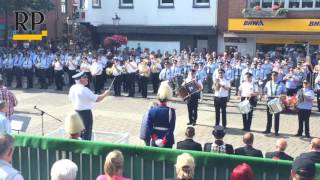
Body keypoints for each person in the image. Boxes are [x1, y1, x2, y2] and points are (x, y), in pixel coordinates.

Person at [68, 72, 110, 140]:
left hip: (76, 112)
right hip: (85, 114)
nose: (87, 79)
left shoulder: (73, 87)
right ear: (80, 80)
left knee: (77, 132)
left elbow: (70, 98)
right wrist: (105, 94)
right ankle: (85, 148)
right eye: (85, 77)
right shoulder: (84, 89)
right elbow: (96, 99)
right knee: (86, 133)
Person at [147, 81, 176, 148]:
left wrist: (155, 138)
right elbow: (171, 129)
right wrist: (164, 141)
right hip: (167, 140)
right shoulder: (171, 111)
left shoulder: (152, 110)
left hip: (155, 138)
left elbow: (149, 126)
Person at [263, 71, 286, 136]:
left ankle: (276, 131)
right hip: (269, 100)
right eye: (273, 75)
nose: (274, 77)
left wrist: (281, 96)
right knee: (269, 116)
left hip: (276, 100)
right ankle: (268, 130)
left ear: (277, 76)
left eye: (275, 75)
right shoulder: (268, 83)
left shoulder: (281, 83)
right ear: (271, 76)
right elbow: (265, 90)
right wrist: (265, 94)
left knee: (276, 117)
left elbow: (284, 92)